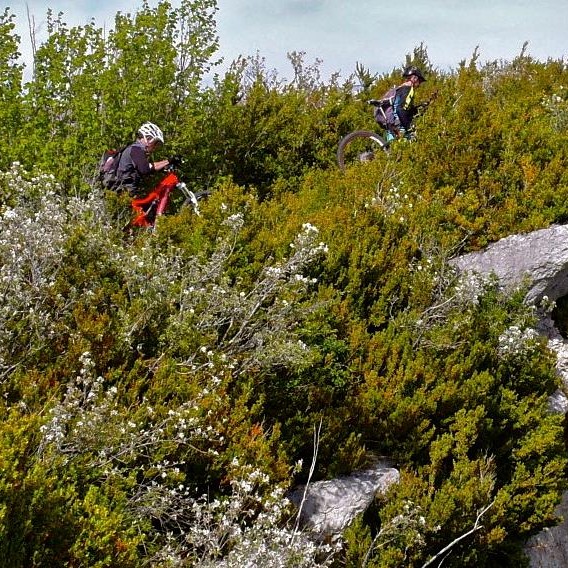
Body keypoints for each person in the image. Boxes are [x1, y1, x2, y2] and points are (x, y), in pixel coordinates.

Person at [114, 122, 180, 196]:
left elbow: (149, 166)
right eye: (155, 143)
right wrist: (168, 161)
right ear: (148, 139)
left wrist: (168, 162)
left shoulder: (135, 149)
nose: (155, 147)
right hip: (125, 192)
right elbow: (145, 169)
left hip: (128, 190)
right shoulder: (136, 150)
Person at [373, 66, 427, 141]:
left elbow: (402, 107)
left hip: (392, 126)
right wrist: (408, 128)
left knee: (392, 151)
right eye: (420, 81)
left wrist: (418, 108)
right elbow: (400, 110)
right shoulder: (409, 89)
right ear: (415, 78)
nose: (419, 84)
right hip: (400, 127)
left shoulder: (399, 89)